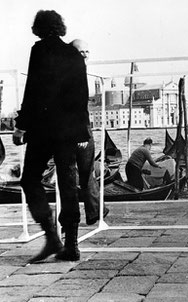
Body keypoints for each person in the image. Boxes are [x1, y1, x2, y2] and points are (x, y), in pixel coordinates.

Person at [13, 10, 90, 262]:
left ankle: (51, 237)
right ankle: (72, 245)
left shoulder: (39, 51)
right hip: (68, 133)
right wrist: (82, 132)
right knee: (69, 185)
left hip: (43, 130)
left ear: (38, 28)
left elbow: (32, 91)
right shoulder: (75, 55)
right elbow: (82, 97)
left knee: (30, 180)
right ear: (60, 27)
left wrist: (21, 126)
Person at [70, 39, 109, 225]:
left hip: (79, 130)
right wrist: (81, 134)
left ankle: (94, 211)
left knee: (86, 172)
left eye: (87, 51)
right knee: (83, 173)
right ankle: (92, 212)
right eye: (81, 52)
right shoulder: (72, 74)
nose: (85, 55)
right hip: (78, 131)